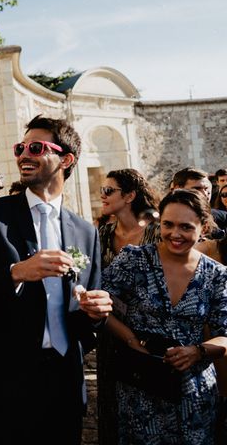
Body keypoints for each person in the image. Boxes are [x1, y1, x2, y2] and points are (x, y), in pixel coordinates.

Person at [0, 115, 112, 444]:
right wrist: (16, 273)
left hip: (64, 381)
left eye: (35, 147)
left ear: (66, 159)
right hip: (7, 382)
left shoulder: (86, 231)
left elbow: (87, 320)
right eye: (21, 147)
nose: (23, 155)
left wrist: (96, 313)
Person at [102, 189, 227, 444]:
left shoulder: (217, 275)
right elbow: (99, 305)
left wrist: (198, 351)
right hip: (140, 387)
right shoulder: (133, 260)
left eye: (186, 227)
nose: (175, 234)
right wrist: (130, 340)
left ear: (203, 227)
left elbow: (225, 336)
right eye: (168, 224)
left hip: (194, 394)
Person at [95, 168, 160, 445]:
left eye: (109, 191)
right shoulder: (103, 233)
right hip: (110, 331)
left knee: (151, 410)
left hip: (150, 333)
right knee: (113, 407)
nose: (103, 196)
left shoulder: (157, 233)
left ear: (130, 195)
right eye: (102, 191)